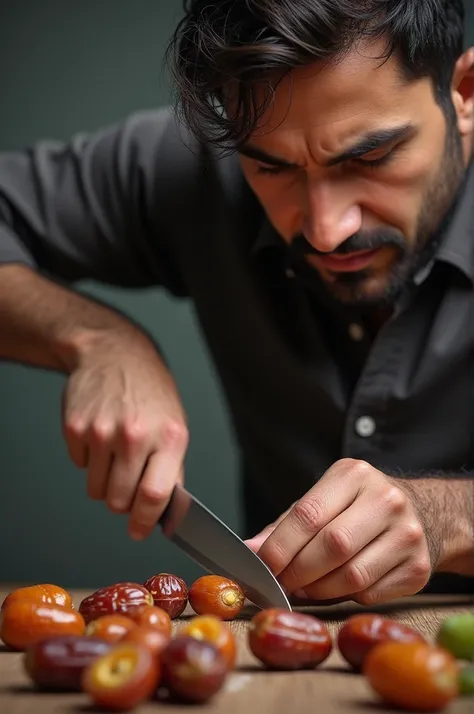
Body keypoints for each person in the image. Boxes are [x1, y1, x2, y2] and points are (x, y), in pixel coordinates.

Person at [0, 0, 473, 603]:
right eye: (271, 167)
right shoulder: (196, 168)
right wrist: (94, 338)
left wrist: (449, 518)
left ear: (464, 93)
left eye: (369, 157)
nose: (326, 231)